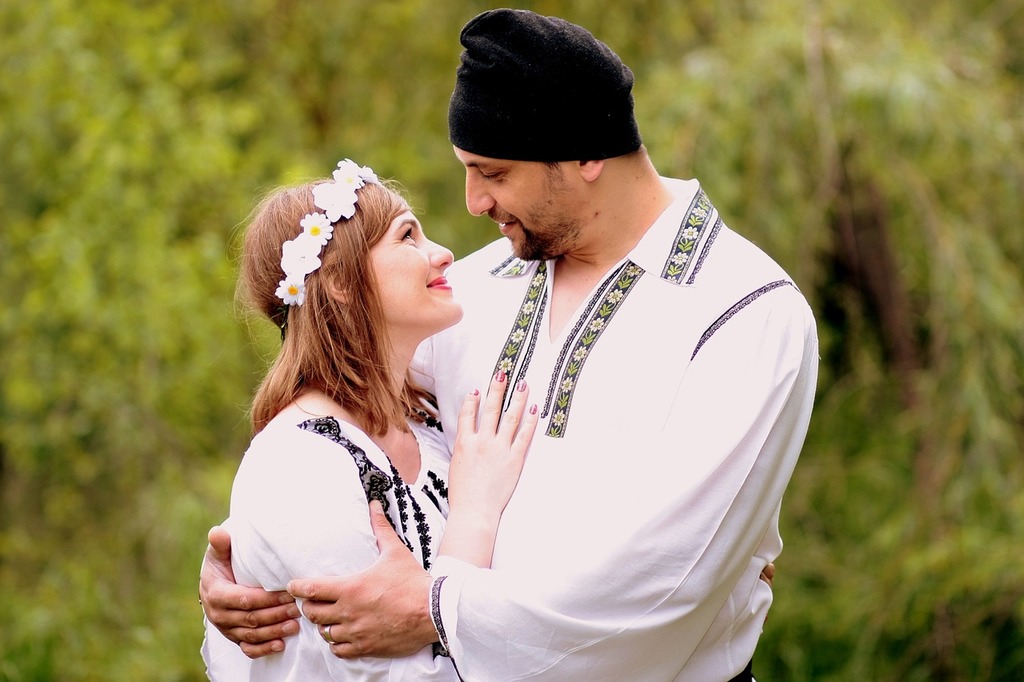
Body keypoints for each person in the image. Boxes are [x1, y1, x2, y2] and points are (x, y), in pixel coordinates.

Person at [202, 9, 819, 681]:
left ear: (586, 155)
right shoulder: (470, 292)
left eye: (493, 173)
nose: (472, 202)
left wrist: (438, 609)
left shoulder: (742, 315)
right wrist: (254, 564)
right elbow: (347, 433)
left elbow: (669, 582)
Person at [200, 158, 539, 680]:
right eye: (408, 237)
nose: (444, 254)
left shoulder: (422, 424)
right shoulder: (301, 465)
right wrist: (475, 510)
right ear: (338, 281)